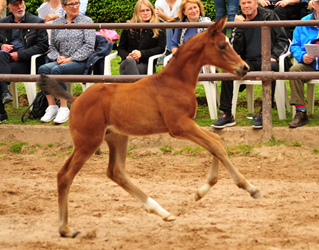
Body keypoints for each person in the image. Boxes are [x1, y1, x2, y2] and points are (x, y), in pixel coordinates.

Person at [211, 0, 290, 129]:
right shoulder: (240, 20)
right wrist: (238, 27)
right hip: (249, 61)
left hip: (269, 59)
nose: (246, 6)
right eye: (243, 3)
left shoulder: (269, 16)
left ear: (256, 3)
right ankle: (227, 114)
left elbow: (283, 39)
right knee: (228, 69)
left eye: (249, 2)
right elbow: (235, 49)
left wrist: (274, 56)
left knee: (271, 68)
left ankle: (265, 111)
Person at [39, 0, 95, 124]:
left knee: (56, 70)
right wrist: (58, 57)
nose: (75, 7)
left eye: (77, 3)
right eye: (71, 4)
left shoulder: (86, 21)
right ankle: (52, 106)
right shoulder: (57, 23)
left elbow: (89, 46)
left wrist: (70, 59)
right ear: (63, 7)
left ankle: (64, 108)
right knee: (43, 69)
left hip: (80, 61)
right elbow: (52, 46)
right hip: (61, 60)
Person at [0, 0, 49, 122]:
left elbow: (43, 46)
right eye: (15, 5)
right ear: (9, 8)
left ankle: (1, 113)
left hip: (26, 62)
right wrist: (1, 46)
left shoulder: (36, 22)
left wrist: (20, 55)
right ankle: (5, 93)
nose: (19, 7)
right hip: (5, 60)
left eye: (21, 3)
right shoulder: (3, 23)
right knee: (1, 55)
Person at [288, 0, 319, 128]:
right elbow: (294, 46)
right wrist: (302, 56)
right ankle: (301, 112)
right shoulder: (303, 22)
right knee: (294, 70)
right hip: (310, 65)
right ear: (314, 5)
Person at [117, 0, 166, 75]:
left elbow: (161, 48)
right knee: (130, 62)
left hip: (146, 64)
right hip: (127, 62)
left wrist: (141, 54)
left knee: (126, 72)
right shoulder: (129, 26)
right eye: (142, 11)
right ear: (137, 12)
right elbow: (121, 48)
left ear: (152, 11)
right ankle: (137, 86)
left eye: (148, 10)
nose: (145, 13)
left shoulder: (159, 24)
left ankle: (131, 86)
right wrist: (128, 56)